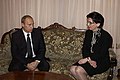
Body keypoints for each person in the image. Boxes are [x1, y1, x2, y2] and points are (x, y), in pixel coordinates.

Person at [70, 11, 113, 80]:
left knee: (78, 70)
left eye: (90, 23)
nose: (87, 24)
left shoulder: (106, 36)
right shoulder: (88, 33)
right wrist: (89, 60)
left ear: (98, 24)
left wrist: (87, 59)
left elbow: (102, 53)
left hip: (101, 61)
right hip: (89, 59)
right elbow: (85, 49)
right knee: (72, 69)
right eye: (87, 22)